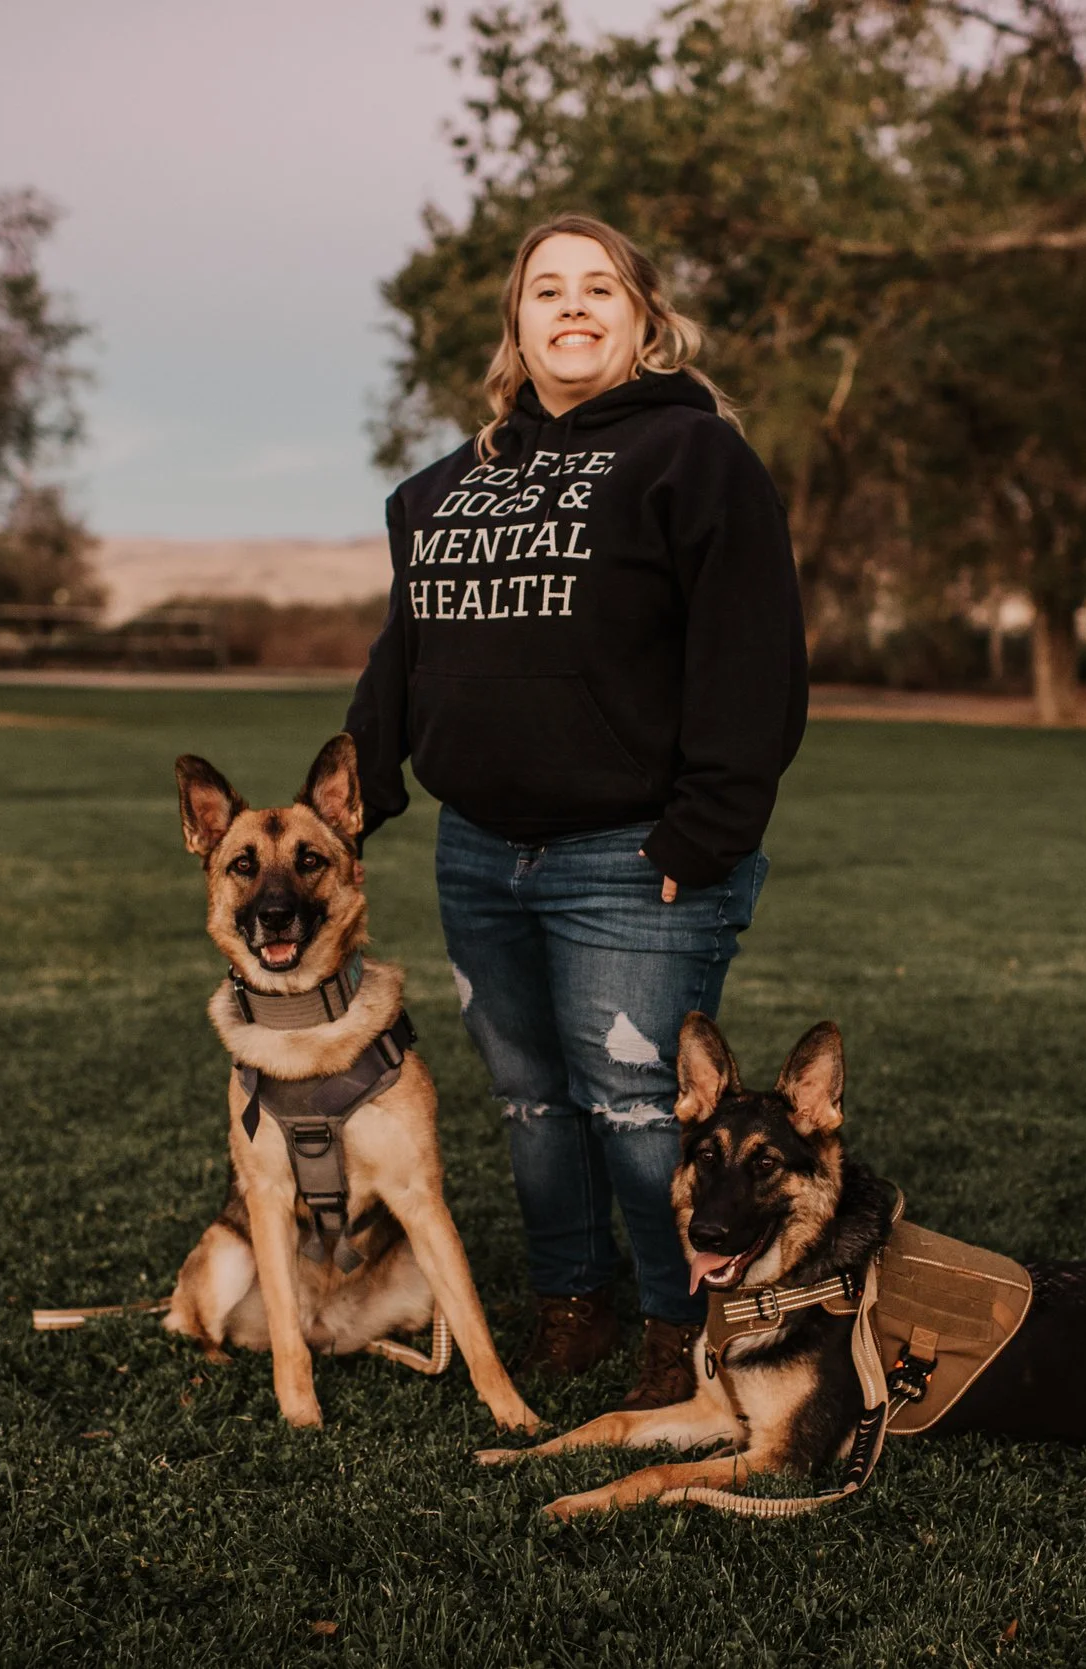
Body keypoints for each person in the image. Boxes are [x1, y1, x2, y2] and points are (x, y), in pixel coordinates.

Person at [345, 213, 806, 1410]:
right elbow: (407, 650)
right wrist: (358, 788)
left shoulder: (692, 459)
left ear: (644, 318)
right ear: (517, 324)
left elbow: (752, 657)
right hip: (479, 852)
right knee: (534, 1106)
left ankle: (678, 1328)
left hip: (632, 853)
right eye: (546, 289)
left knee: (643, 1118)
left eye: (600, 287)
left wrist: (703, 832)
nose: (572, 305)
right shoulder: (454, 483)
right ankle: (570, 1302)